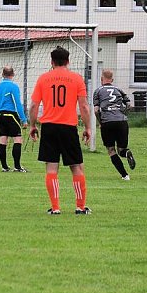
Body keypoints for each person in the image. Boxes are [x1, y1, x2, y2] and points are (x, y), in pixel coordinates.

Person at [28, 46, 92, 215]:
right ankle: (80, 207)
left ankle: (55, 208)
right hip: (68, 127)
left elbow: (34, 105)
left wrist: (33, 125)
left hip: (49, 127)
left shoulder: (43, 79)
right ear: (68, 61)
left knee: (51, 168)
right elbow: (84, 106)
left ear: (52, 62)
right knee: (76, 166)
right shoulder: (76, 79)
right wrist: (87, 127)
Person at [93, 69, 136, 180]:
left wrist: (100, 122)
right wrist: (123, 114)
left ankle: (125, 175)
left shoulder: (98, 91)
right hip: (122, 122)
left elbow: (96, 110)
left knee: (111, 150)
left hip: (107, 122)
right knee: (121, 150)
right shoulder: (118, 89)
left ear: (102, 79)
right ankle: (127, 153)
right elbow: (129, 105)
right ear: (112, 80)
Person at [0, 65, 28, 172]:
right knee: (17, 139)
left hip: (0, 115)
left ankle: (4, 167)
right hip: (11, 115)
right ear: (13, 75)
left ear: (3, 74)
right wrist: (24, 119)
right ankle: (17, 167)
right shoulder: (13, 87)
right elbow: (17, 103)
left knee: (3, 140)